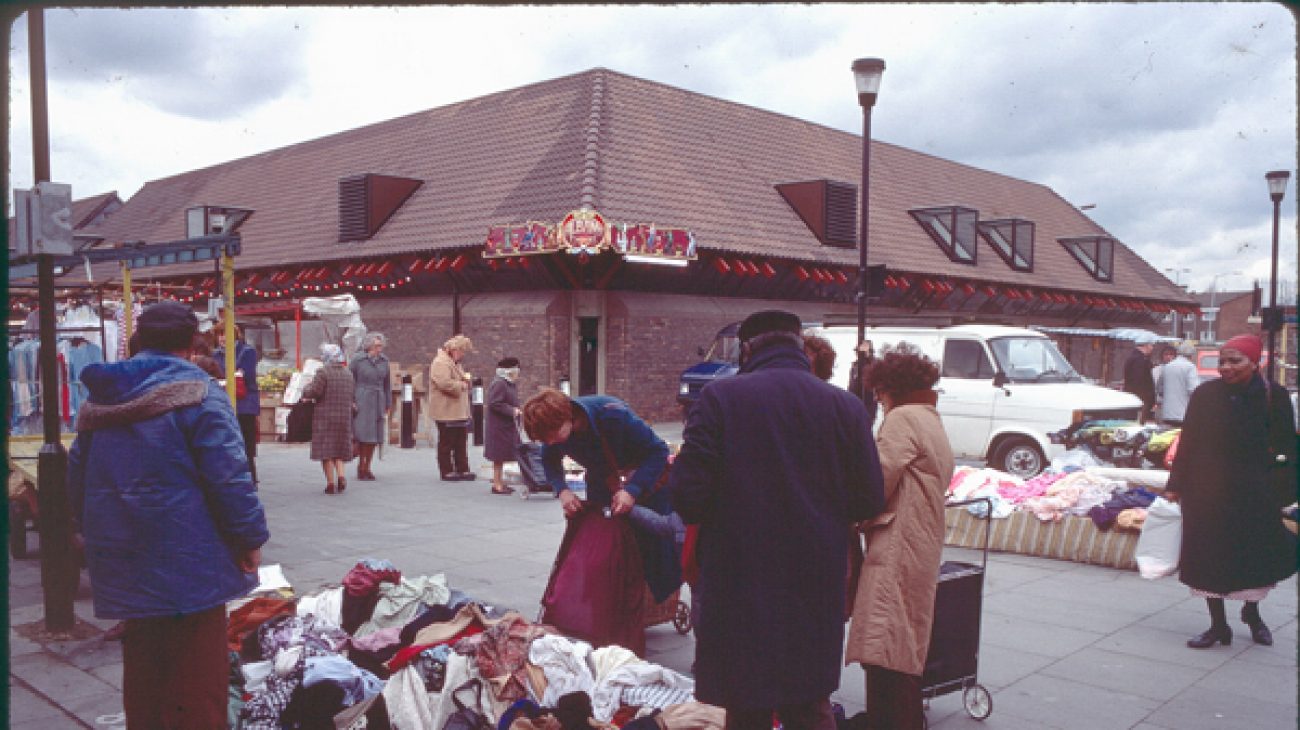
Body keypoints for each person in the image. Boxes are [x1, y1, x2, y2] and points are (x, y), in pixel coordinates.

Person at [667, 310, 885, 727]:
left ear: (747, 350)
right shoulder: (845, 406)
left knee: (743, 706)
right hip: (814, 588)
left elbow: (688, 497)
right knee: (808, 705)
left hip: (739, 587)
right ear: (800, 346)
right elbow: (868, 499)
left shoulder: (720, 399)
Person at [67, 301, 268, 728]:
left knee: (143, 667)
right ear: (189, 345)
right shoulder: (200, 395)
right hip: (190, 559)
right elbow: (231, 478)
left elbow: (76, 481)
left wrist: (96, 537)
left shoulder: (100, 398)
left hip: (124, 556)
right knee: (198, 679)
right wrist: (250, 539)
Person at [845, 343, 955, 729]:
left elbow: (874, 482)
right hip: (918, 545)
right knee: (903, 645)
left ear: (890, 387)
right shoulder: (929, 417)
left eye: (878, 392)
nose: (878, 399)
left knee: (885, 646)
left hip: (897, 545)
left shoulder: (903, 419)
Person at [1164, 334, 1296, 649]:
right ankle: (1218, 625)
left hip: (1254, 493)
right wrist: (1176, 486)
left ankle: (1252, 613)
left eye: (1235, 361)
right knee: (1209, 557)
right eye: (1222, 361)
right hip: (1206, 492)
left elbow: (1288, 447)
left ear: (1255, 362)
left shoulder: (1272, 396)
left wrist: (1281, 492)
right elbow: (1189, 443)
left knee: (1253, 555)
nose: (1226, 367)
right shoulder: (1205, 395)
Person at [522, 387, 680, 601]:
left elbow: (658, 451)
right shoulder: (554, 430)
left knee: (652, 550)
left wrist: (632, 491)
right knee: (602, 544)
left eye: (552, 435)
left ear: (567, 417)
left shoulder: (612, 414)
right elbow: (549, 459)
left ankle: (651, 603)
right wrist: (563, 490)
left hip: (646, 485)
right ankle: (608, 605)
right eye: (544, 439)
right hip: (603, 483)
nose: (550, 442)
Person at [303, 343, 356, 494]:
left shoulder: (323, 372)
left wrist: (306, 389)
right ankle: (341, 476)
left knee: (326, 451)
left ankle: (331, 483)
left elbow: (315, 391)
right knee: (339, 449)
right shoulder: (348, 374)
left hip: (325, 417)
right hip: (343, 417)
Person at [214, 324, 261, 485]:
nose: (222, 338)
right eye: (219, 334)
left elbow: (247, 376)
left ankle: (250, 478)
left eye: (225, 333)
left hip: (244, 404)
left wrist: (227, 378)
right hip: (224, 403)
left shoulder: (246, 352)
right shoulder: (215, 355)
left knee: (246, 444)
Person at [429, 334, 476, 481]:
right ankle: (446, 470)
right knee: (447, 442)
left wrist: (466, 380)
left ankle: (462, 468)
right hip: (446, 410)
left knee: (461, 441)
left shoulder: (455, 363)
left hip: (457, 411)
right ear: (452, 350)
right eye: (461, 351)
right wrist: (461, 385)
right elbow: (444, 383)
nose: (462, 355)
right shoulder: (440, 363)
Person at [350, 333, 391, 481]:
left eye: (381, 346)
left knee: (374, 436)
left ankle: (368, 467)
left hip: (378, 399)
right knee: (363, 434)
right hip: (362, 399)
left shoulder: (384, 361)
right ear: (369, 346)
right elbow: (350, 380)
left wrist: (388, 403)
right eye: (376, 346)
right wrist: (351, 400)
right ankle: (361, 466)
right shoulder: (357, 360)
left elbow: (387, 384)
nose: (379, 349)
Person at [485, 357, 523, 495]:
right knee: (498, 456)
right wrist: (512, 410)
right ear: (509, 371)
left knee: (501, 456)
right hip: (499, 427)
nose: (518, 373)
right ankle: (497, 485)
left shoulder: (508, 383)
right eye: (516, 370)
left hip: (505, 426)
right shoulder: (500, 383)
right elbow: (494, 403)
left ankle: (499, 482)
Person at [1155, 342, 1199, 426]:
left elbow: (1159, 389)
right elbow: (1193, 390)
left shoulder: (1167, 367)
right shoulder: (1190, 367)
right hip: (1184, 414)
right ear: (1191, 355)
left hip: (1167, 414)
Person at [1123, 334, 1157, 423]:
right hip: (1140, 399)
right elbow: (1140, 382)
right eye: (1151, 345)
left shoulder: (1132, 358)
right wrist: (1148, 400)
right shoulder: (1140, 361)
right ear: (1146, 345)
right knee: (1138, 423)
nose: (1152, 348)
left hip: (1133, 398)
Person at [846, 338, 880, 425]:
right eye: (857, 351)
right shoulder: (855, 366)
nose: (858, 354)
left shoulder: (875, 365)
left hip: (869, 402)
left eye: (861, 352)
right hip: (854, 400)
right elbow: (851, 384)